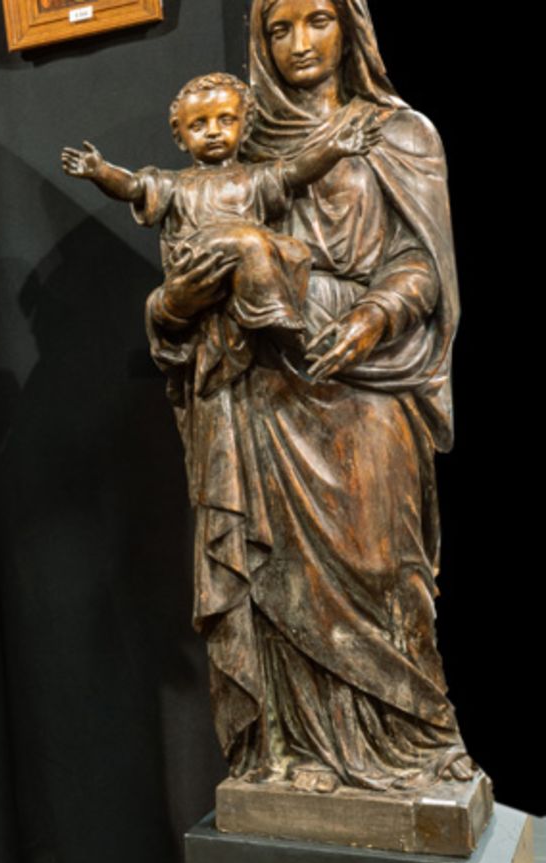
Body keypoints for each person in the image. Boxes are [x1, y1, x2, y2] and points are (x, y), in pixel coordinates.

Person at [149, 0, 472, 795]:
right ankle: (290, 756)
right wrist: (171, 307)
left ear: (351, 27)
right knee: (274, 585)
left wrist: (371, 316)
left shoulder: (399, 136)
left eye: (317, 20)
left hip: (365, 379)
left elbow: (423, 264)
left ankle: (420, 743)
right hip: (262, 393)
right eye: (279, 28)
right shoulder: (234, 149)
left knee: (384, 573)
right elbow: (175, 289)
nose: (299, 44)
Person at [63, 72, 380, 394]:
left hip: (246, 262)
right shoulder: (172, 183)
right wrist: (100, 172)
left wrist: (334, 149)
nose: (213, 132)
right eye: (198, 125)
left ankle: (275, 328)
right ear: (179, 135)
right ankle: (281, 325)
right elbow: (131, 187)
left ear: (245, 126)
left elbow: (296, 171)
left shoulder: (254, 177)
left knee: (265, 246)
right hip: (199, 259)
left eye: (225, 120)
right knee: (250, 241)